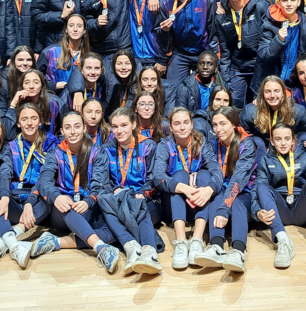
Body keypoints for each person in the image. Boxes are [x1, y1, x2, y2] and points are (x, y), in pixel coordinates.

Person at [32, 112, 121, 273]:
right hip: (63, 210)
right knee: (66, 204)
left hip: (88, 207)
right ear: (62, 131)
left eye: (77, 126)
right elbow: (43, 181)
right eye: (68, 127)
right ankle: (101, 248)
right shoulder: (55, 153)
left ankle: (56, 242)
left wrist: (89, 201)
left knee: (114, 230)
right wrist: (56, 197)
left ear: (84, 128)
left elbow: (100, 182)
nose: (73, 131)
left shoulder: (97, 151)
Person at [251, 123, 306, 270]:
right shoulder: (265, 160)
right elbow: (256, 190)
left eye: (287, 138)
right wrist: (257, 211)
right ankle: (283, 242)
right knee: (261, 187)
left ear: (293, 140)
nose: (283, 143)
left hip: (302, 209)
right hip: (280, 211)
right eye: (278, 139)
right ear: (272, 141)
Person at [0, 103, 58, 268]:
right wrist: (4, 198)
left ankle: (5, 240)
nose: (29, 123)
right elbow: (5, 173)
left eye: (33, 118)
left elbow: (46, 177)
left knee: (53, 193)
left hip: (38, 203)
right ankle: (13, 243)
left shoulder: (52, 143)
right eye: (24, 119)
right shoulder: (11, 145)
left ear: (40, 121)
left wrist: (30, 202)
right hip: (15, 202)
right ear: (18, 123)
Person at [91, 108, 163, 275]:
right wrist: (115, 189)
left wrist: (143, 192)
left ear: (134, 124)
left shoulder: (148, 146)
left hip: (146, 200)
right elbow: (103, 180)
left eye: (124, 125)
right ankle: (133, 248)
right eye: (115, 126)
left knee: (137, 204)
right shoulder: (106, 149)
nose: (119, 131)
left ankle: (148, 253)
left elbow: (154, 178)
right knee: (104, 200)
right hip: (117, 201)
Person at [153, 107, 224, 269]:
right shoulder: (165, 145)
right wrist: (184, 188)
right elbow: (157, 176)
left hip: (199, 202)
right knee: (179, 175)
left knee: (205, 174)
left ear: (192, 124)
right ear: (170, 127)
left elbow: (217, 172)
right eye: (177, 124)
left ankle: (197, 239)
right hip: (173, 206)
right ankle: (181, 242)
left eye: (186, 122)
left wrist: (208, 189)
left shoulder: (202, 143)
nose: (182, 127)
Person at [192, 107, 258, 273]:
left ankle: (238, 251)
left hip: (244, 192)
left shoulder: (246, 144)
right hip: (223, 189)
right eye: (214, 125)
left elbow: (238, 180)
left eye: (223, 124)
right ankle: (216, 246)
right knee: (215, 195)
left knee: (235, 203)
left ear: (234, 124)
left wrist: (224, 208)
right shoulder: (214, 144)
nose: (218, 129)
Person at [216, 0, 270, 109]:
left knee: (259, 105)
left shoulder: (259, 6)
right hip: (237, 65)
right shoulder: (221, 14)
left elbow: (267, 39)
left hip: (259, 63)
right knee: (233, 103)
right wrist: (225, 78)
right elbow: (224, 49)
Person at [159, 0, 216, 85]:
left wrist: (213, 55)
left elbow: (213, 30)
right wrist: (164, 31)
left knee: (206, 88)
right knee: (171, 88)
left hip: (203, 51)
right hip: (181, 52)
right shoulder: (166, 2)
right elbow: (160, 34)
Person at [252, 0, 306, 92]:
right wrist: (278, 40)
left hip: (295, 82)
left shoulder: (305, 22)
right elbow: (263, 56)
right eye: (284, 0)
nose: (289, 4)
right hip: (270, 81)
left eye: (293, 0)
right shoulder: (269, 25)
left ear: (298, 2)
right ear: (278, 3)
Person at [240, 76, 306, 151]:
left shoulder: (298, 111)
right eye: (268, 91)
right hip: (263, 149)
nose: (272, 95)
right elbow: (244, 134)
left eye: (276, 91)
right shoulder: (250, 111)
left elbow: (304, 134)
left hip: (289, 148)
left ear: (283, 93)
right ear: (262, 94)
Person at [42, 14, 90, 94]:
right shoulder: (51, 51)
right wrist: (54, 85)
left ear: (84, 30)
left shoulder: (89, 54)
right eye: (71, 25)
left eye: (79, 26)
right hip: (56, 97)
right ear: (66, 29)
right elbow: (37, 76)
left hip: (82, 97)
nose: (75, 29)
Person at [4, 69, 60, 139]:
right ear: (22, 86)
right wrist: (13, 104)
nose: (31, 86)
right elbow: (8, 135)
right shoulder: (17, 102)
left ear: (42, 85)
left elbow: (62, 130)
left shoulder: (53, 103)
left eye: (36, 82)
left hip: (48, 143)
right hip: (23, 143)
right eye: (27, 83)